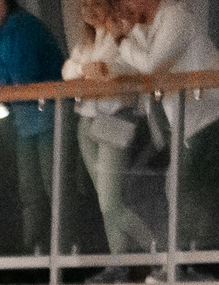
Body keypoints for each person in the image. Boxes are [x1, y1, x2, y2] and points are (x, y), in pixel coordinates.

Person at [116, 0, 219, 258]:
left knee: (184, 187)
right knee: (177, 188)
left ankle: (185, 259)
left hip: (210, 117)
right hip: (184, 125)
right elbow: (125, 67)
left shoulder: (176, 16)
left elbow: (152, 66)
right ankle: (186, 258)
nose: (123, 4)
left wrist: (121, 42)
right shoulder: (141, 29)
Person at [0, 0, 66, 261]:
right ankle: (35, 252)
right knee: (29, 191)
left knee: (55, 188)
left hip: (51, 117)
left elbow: (21, 76)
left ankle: (65, 252)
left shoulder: (25, 27)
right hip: (23, 122)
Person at [66, 0, 155, 264]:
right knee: (106, 206)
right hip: (87, 122)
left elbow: (131, 67)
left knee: (111, 203)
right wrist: (84, 69)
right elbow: (68, 70)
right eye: (83, 5)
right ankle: (120, 261)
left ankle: (158, 249)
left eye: (94, 3)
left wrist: (104, 71)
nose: (88, 10)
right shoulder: (88, 42)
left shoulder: (124, 32)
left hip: (115, 118)